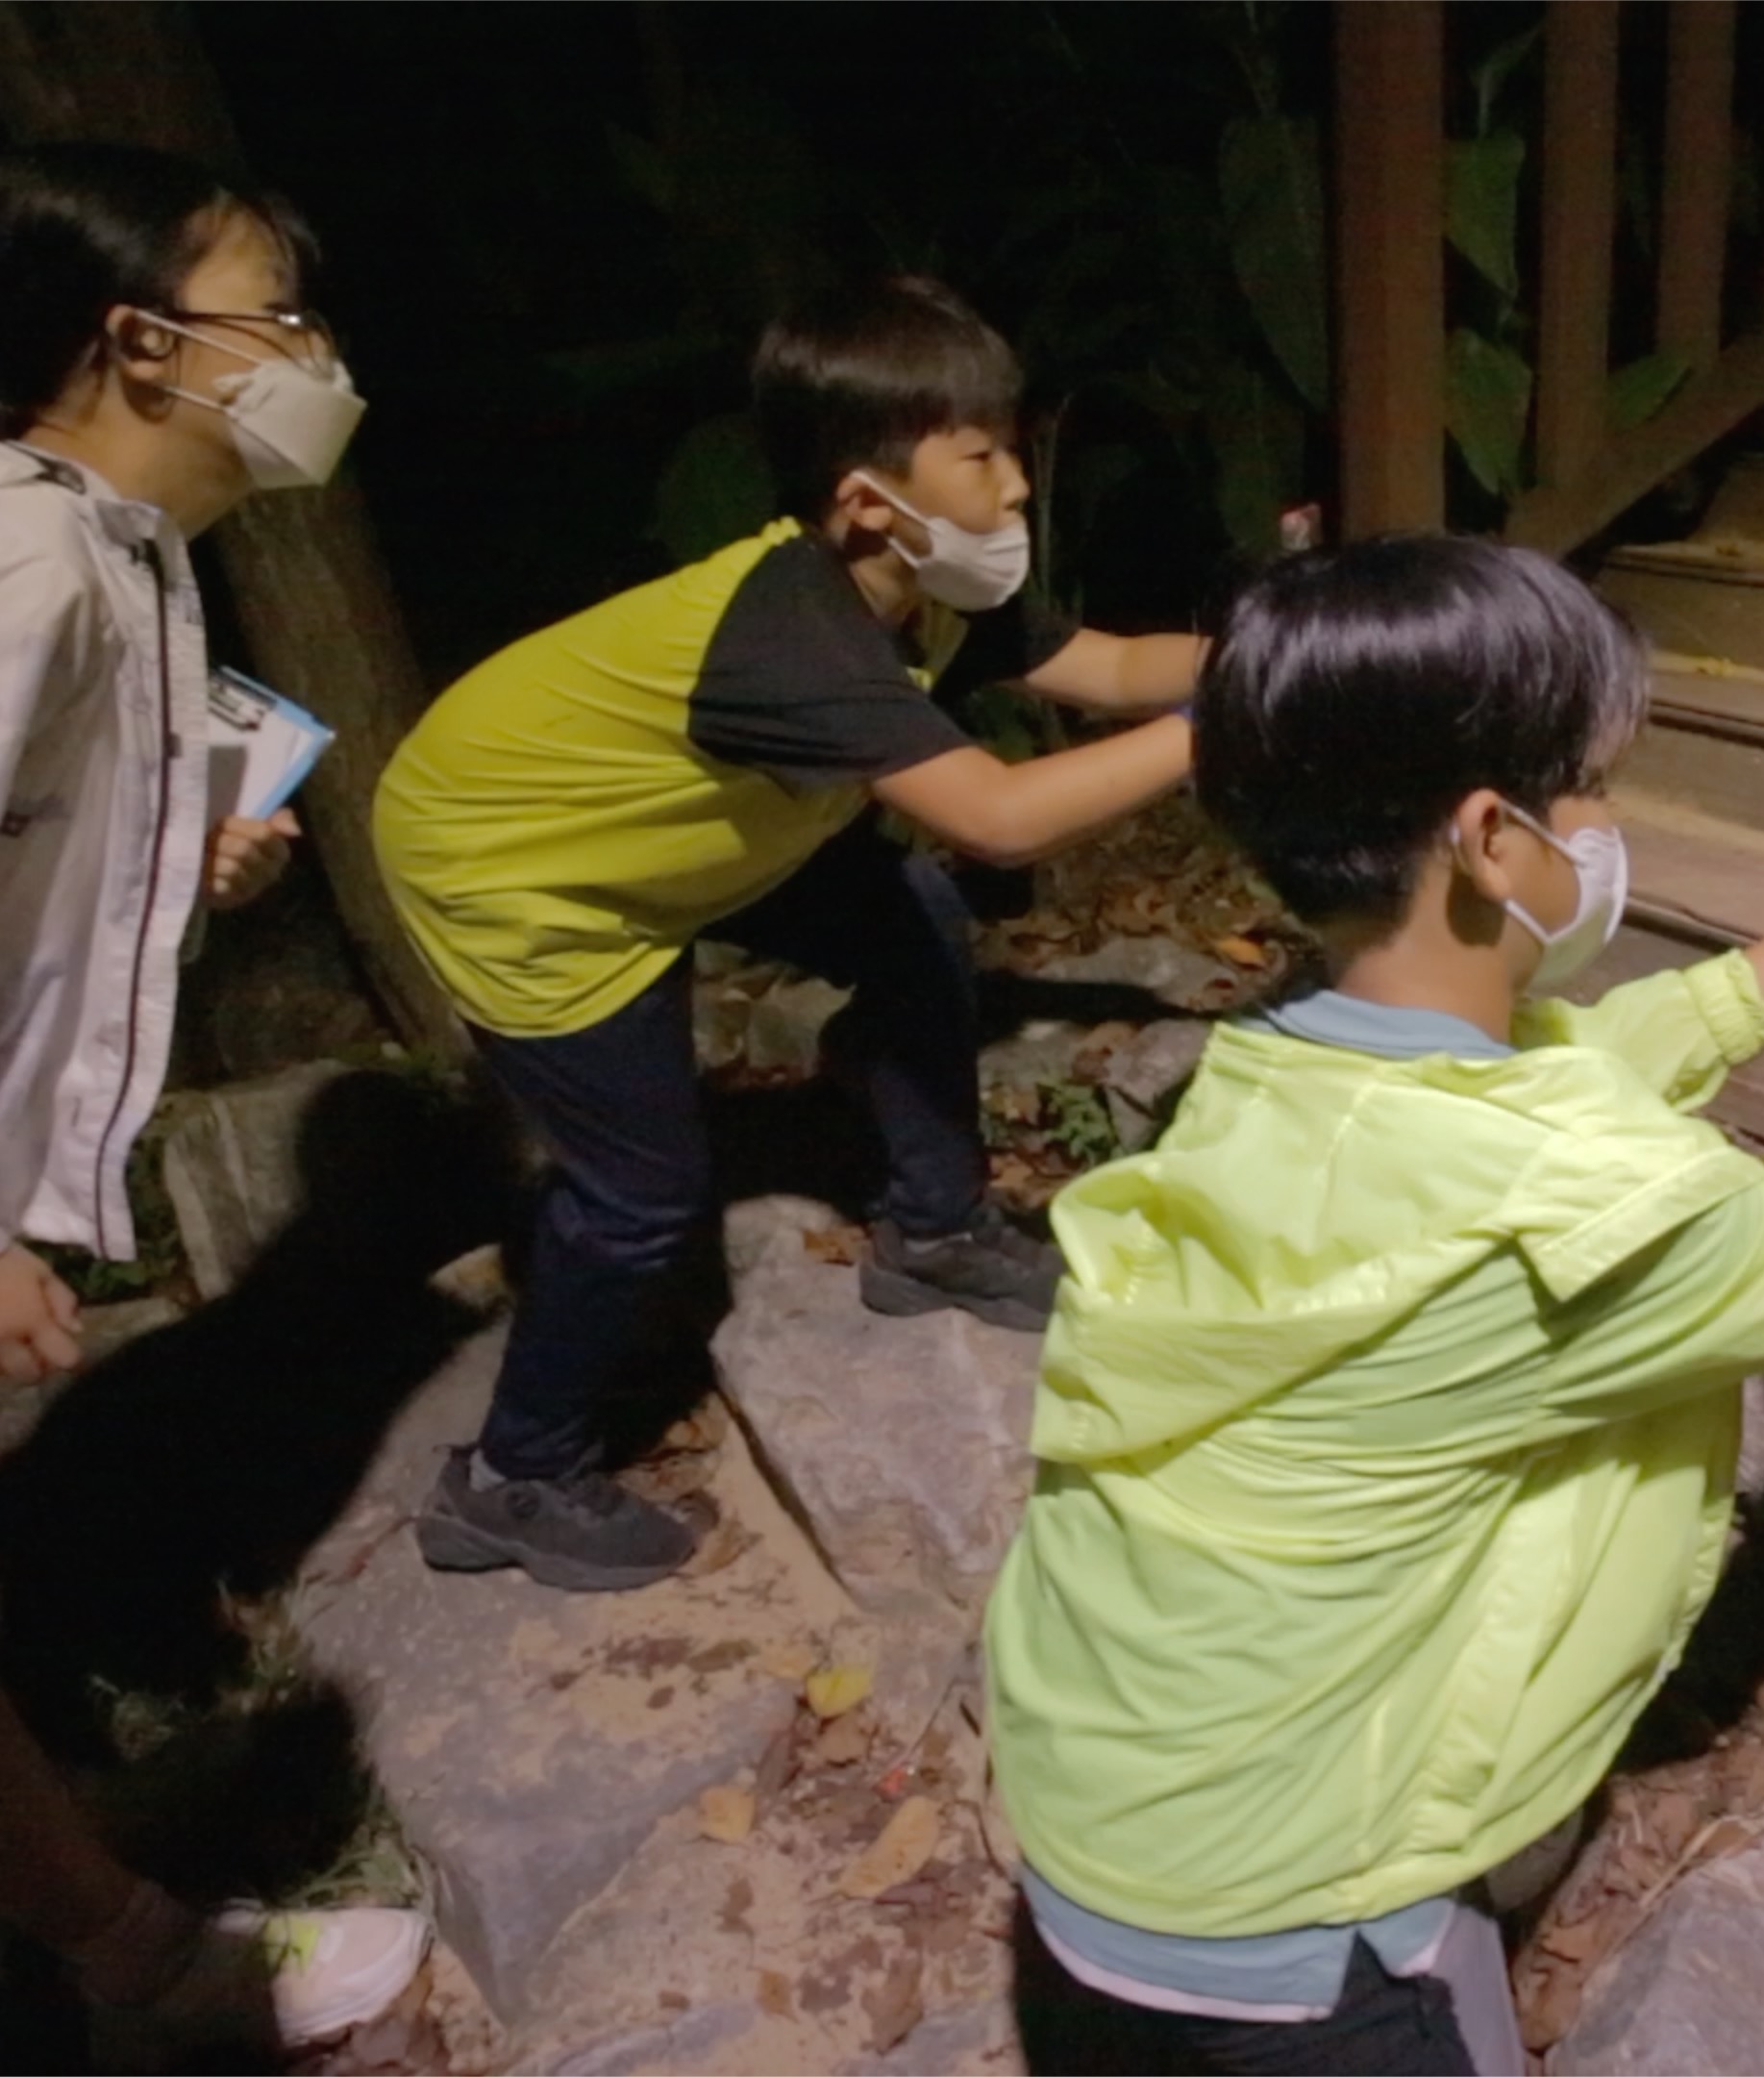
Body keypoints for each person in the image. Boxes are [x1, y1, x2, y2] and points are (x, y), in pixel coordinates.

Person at [984, 536, 1764, 2074]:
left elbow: (1560, 1069)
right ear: (1493, 837)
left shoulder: (1282, 1064)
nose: (1606, 827)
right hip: (1299, 1920)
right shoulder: (1563, 1207)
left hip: (1112, 1794)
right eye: (1590, 791)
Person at [0, 147, 429, 2059]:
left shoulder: (61, 536)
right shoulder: (12, 557)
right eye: (277, 312)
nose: (313, 351)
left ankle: (27, 1867)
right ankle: (144, 1965)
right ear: (140, 341)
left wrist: (162, 863)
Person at [374, 274, 1203, 1594]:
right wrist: (1221, 726)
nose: (1016, 485)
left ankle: (935, 1230)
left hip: (694, 824)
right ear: (870, 500)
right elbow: (998, 817)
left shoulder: (924, 586)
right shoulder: (793, 635)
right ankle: (509, 1479)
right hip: (522, 866)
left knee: (915, 919)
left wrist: (1274, 647)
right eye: (982, 456)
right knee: (640, 1197)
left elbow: (1104, 668)